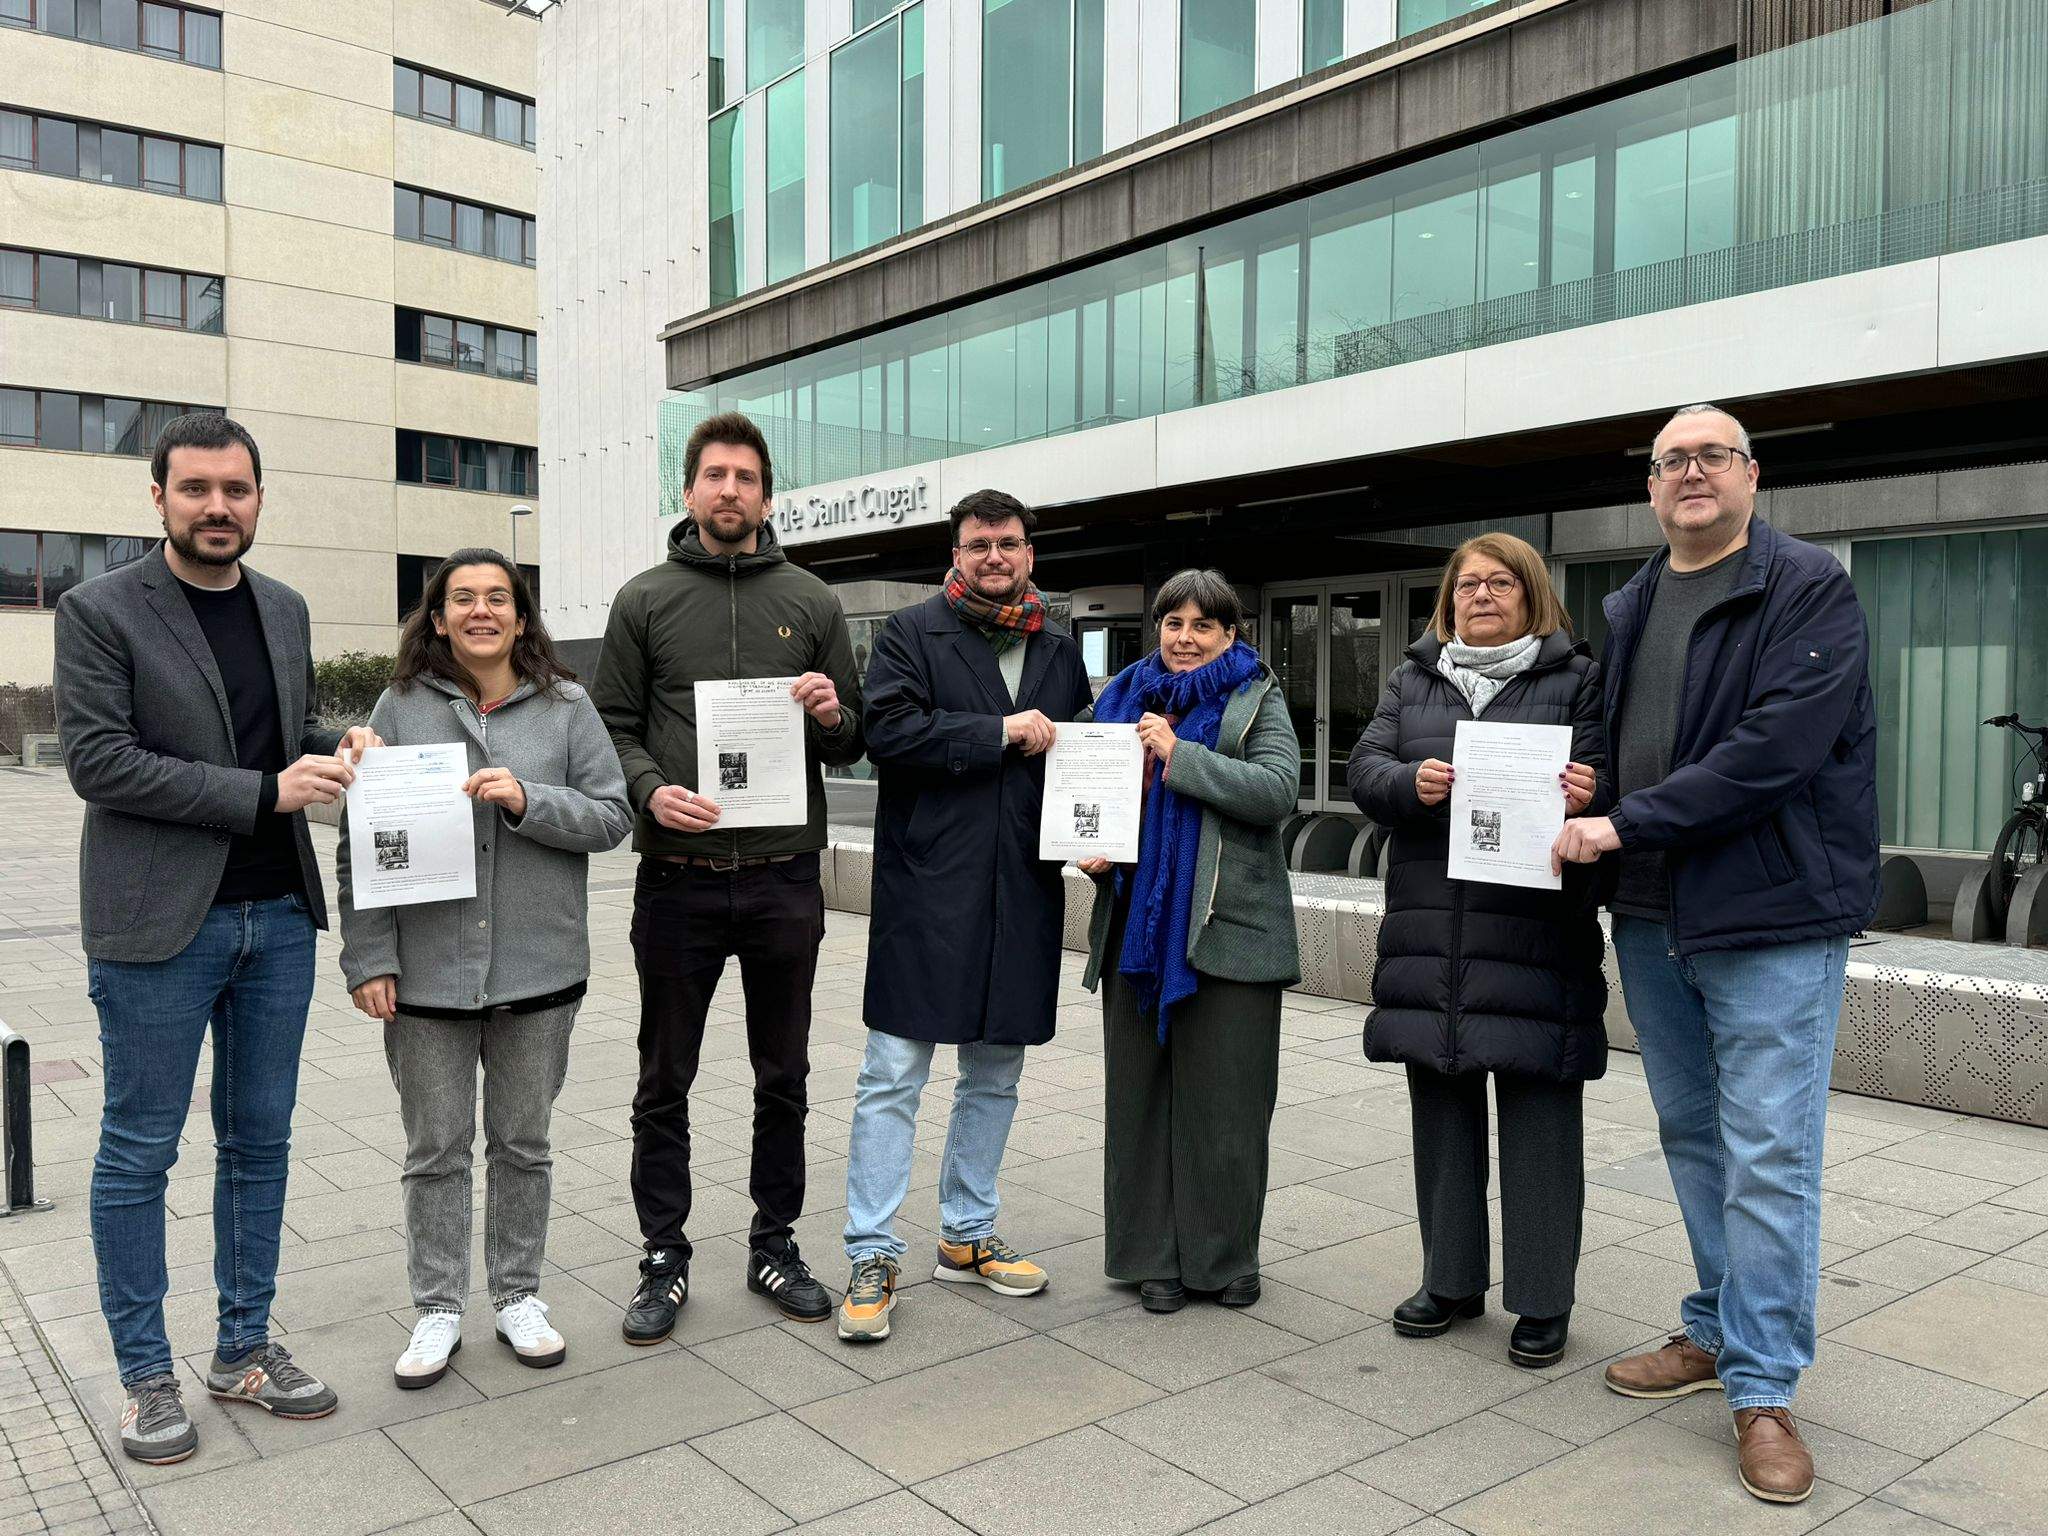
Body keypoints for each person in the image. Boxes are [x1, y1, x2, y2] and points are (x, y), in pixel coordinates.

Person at [1554, 403, 1878, 1505]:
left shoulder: (1805, 589)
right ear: (1650, 488)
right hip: (1648, 914)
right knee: (1692, 1135)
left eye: (1709, 456)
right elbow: (1608, 738)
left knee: (1768, 1153)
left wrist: (1622, 821)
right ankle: (1714, 1330)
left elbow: (1770, 753)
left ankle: (1763, 1387)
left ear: (1750, 474)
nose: (1689, 473)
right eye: (1669, 461)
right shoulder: (1633, 599)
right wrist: (1584, 786)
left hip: (1769, 917)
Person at [53, 413, 380, 1464]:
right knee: (140, 1149)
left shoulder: (281, 608)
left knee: (261, 1142)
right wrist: (265, 791)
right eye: (194, 490)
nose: (216, 508)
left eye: (235, 490)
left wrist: (343, 741)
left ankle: (242, 1349)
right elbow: (100, 762)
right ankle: (145, 1374)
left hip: (276, 919)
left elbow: (284, 737)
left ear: (258, 498)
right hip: (158, 924)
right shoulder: (99, 610)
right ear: (158, 499)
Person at [590, 412, 863, 1341]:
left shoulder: (815, 602)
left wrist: (830, 713)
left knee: (782, 1072)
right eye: (715, 475)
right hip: (679, 877)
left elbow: (853, 735)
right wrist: (649, 791)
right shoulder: (645, 600)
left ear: (767, 495)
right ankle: (662, 1256)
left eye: (746, 477)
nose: (730, 491)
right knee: (664, 1077)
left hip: (786, 878)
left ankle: (774, 1242)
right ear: (689, 491)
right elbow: (611, 727)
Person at [337, 551, 631, 1390]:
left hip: (538, 971)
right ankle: (437, 1306)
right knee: (435, 1148)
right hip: (426, 976)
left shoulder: (568, 708)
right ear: (436, 618)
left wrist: (528, 799)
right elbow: (362, 838)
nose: (480, 612)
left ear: (521, 615)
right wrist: (368, 956)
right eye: (462, 599)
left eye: (497, 598)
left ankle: (516, 1295)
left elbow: (612, 815)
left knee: (524, 1143)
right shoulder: (397, 707)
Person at [835, 490, 1093, 1342]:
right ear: (956, 553)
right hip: (929, 888)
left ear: (1030, 554)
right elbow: (890, 735)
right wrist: (1001, 733)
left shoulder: (1058, 651)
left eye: (1009, 543)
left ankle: (968, 1233)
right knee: (893, 1073)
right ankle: (873, 1250)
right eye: (979, 544)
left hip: (1021, 886)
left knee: (996, 1071)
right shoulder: (911, 634)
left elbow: (1079, 759)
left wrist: (1094, 833)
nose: (995, 557)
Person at [1347, 533, 1609, 1369]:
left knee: (1539, 1122)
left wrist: (1592, 789)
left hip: (1534, 937)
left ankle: (1540, 1300)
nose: (1482, 595)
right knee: (1442, 1113)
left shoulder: (1577, 679)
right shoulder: (1411, 677)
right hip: (1434, 933)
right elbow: (1365, 768)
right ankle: (1450, 1280)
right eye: (1468, 584)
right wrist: (1408, 785)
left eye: (1501, 583)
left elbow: (1617, 780)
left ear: (1532, 596)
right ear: (1448, 598)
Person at [1079, 570, 1300, 1313]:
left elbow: (1276, 790)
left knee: (1228, 1103)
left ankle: (1225, 1257)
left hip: (1228, 930)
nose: (1185, 638)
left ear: (1231, 635)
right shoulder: (1117, 699)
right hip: (1136, 932)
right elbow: (1079, 786)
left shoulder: (1256, 697)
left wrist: (1180, 756)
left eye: (1204, 626)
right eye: (1173, 623)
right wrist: (1089, 843)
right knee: (1138, 1100)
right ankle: (1152, 1259)